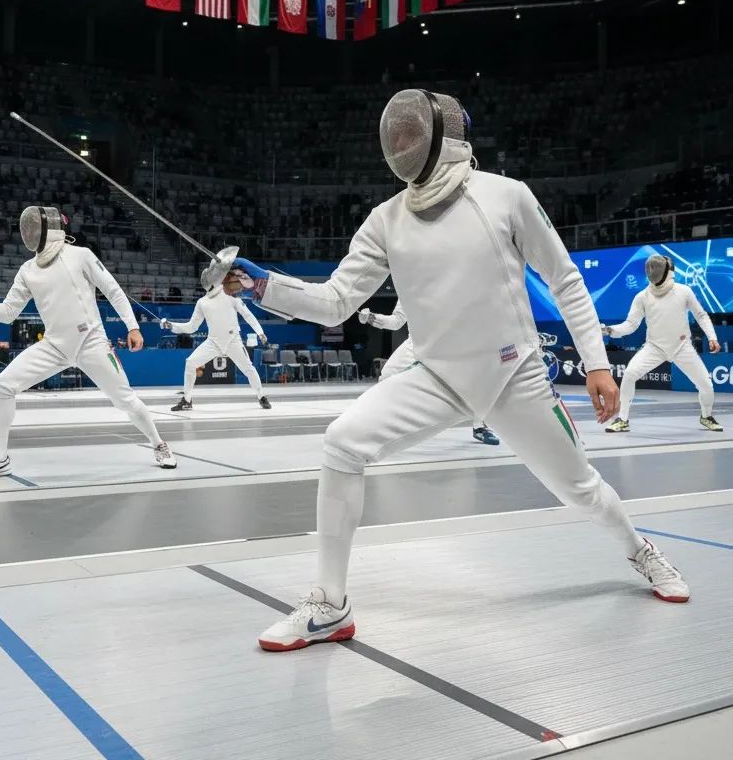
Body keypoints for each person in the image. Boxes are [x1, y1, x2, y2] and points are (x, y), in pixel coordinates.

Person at [233, 89, 688, 652]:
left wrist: (597, 363)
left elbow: (565, 278)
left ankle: (641, 552)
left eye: (409, 132)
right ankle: (330, 604)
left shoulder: (505, 195)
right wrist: (265, 287)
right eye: (395, 134)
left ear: (443, 134)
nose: (399, 142)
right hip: (436, 376)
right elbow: (334, 302)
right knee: (342, 442)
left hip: (513, 375)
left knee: (582, 490)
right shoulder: (386, 220)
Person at [0, 206, 176, 478]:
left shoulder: (80, 256)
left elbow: (112, 290)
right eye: (27, 228)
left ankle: (158, 444)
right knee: (4, 385)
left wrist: (133, 327)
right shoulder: (27, 269)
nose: (29, 233)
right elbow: (8, 313)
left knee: (124, 400)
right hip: (54, 345)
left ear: (51, 228)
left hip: (92, 342)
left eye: (33, 227)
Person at [602, 254, 722, 433]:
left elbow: (701, 315)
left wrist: (712, 337)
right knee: (629, 374)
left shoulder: (684, 291)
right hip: (654, 347)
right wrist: (610, 330)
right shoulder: (642, 297)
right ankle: (622, 419)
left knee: (705, 383)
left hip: (682, 347)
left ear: (667, 271)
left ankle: (707, 416)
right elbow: (631, 325)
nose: (653, 271)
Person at [359, 304, 499, 445]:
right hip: (416, 342)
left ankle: (480, 426)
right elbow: (397, 321)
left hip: (449, 342)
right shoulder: (406, 286)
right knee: (387, 376)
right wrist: (372, 318)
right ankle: (378, 425)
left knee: (475, 379)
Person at [163, 261, 271, 412]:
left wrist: (260, 332)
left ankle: (261, 397)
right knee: (190, 363)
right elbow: (191, 327)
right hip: (213, 342)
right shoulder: (202, 303)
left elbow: (247, 315)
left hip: (233, 341)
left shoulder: (229, 294)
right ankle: (187, 400)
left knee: (248, 369)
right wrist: (171, 325)